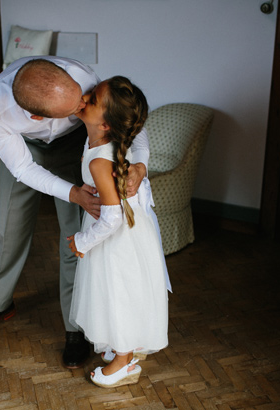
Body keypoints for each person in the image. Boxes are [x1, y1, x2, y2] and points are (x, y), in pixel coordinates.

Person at [0, 56, 151, 371]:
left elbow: (127, 116)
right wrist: (71, 192)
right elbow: (23, 168)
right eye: (76, 108)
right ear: (36, 116)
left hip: (75, 148)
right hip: (23, 150)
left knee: (75, 241)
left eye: (84, 99)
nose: (83, 104)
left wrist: (142, 163)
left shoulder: (82, 78)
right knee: (9, 230)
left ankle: (74, 327)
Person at [65, 76, 171, 388]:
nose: (85, 97)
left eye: (93, 99)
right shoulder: (102, 144)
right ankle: (122, 348)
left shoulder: (101, 158)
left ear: (107, 124)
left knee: (119, 294)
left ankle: (124, 361)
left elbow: (111, 217)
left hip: (118, 237)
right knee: (117, 292)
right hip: (129, 230)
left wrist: (82, 242)